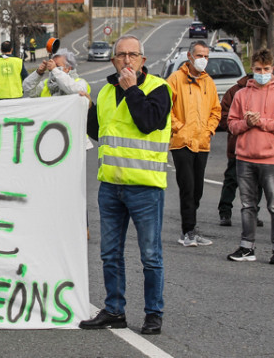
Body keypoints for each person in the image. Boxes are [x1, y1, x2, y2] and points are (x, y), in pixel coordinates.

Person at [80, 35, 171, 335]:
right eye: (121, 55)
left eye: (133, 55)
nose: (127, 60)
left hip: (144, 187)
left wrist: (132, 90)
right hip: (111, 186)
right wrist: (85, 107)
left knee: (150, 255)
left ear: (143, 61)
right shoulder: (105, 91)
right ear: (113, 60)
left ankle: (153, 313)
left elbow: (148, 122)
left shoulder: (159, 89)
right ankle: (114, 310)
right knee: (110, 253)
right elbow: (97, 131)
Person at [227, 48, 274, 265]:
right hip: (244, 157)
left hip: (270, 158)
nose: (261, 73)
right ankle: (247, 247)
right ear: (251, 69)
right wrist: (247, 123)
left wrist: (261, 121)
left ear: (272, 69)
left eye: (265, 69)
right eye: (257, 69)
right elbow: (231, 124)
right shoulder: (241, 94)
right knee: (247, 205)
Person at [167, 40, 221, 247]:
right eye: (199, 55)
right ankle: (187, 231)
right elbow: (166, 107)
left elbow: (216, 110)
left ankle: (191, 227)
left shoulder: (209, 82)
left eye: (206, 56)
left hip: (202, 142)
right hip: (182, 143)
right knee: (187, 188)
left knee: (197, 189)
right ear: (189, 56)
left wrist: (209, 130)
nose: (203, 60)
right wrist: (178, 127)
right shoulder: (175, 79)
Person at [216, 73, 263, 228]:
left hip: (260, 146)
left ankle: (253, 212)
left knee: (257, 183)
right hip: (238, 145)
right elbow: (224, 118)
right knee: (232, 179)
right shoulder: (235, 91)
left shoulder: (270, 92)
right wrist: (242, 124)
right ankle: (225, 212)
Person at [22, 48, 89, 98]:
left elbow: (73, 90)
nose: (52, 67)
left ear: (68, 68)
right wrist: (38, 73)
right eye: (52, 64)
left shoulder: (79, 83)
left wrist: (55, 70)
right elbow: (27, 88)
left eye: (57, 65)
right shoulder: (46, 84)